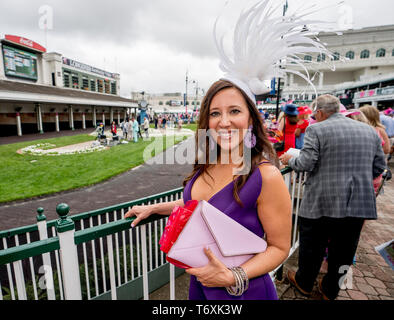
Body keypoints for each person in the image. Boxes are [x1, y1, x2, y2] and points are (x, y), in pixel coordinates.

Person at [125, 79, 292, 300]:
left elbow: (279, 248)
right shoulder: (208, 163)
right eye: (215, 113)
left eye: (234, 111)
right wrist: (153, 208)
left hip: (243, 291)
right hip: (203, 288)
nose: (224, 122)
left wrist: (234, 276)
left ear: (250, 118)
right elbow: (201, 206)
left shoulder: (266, 176)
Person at [279, 94, 386, 300]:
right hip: (357, 202)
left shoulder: (316, 129)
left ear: (318, 112)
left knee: (312, 247)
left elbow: (306, 163)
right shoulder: (369, 131)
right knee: (344, 251)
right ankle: (331, 290)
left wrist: (290, 159)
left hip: (321, 200)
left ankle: (304, 283)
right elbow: (379, 166)